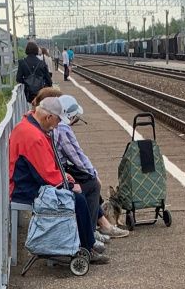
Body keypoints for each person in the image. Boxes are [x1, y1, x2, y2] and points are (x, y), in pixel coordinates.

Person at [9, 96, 108, 264]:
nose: (56, 126)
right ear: (48, 117)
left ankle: (86, 242)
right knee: (78, 199)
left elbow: (45, 170)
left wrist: (66, 178)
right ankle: (86, 247)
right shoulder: (34, 137)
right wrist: (69, 185)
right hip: (26, 189)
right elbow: (45, 175)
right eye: (56, 121)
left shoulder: (29, 126)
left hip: (26, 182)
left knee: (79, 193)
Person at [54, 95, 129, 240]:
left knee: (88, 181)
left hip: (56, 170)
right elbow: (77, 156)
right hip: (58, 174)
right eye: (74, 117)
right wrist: (93, 173)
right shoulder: (62, 129)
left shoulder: (55, 127)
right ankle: (91, 232)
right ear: (69, 115)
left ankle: (102, 225)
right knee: (93, 184)